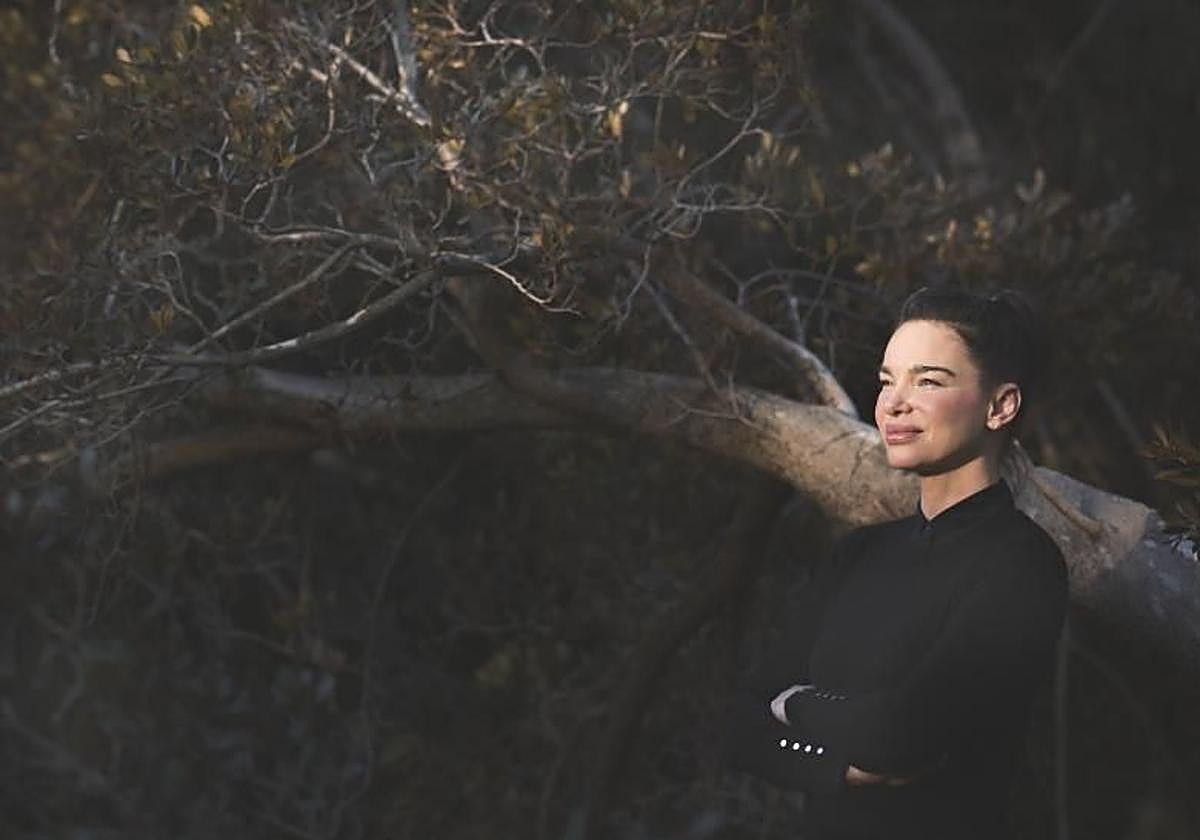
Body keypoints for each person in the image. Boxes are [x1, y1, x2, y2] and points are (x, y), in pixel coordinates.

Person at [722, 286, 1069, 840]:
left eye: (928, 380)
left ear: (1000, 405)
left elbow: (901, 736)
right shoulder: (860, 553)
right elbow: (740, 727)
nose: (893, 403)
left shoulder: (1022, 565)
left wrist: (795, 703)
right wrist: (839, 764)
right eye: (888, 380)